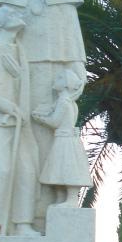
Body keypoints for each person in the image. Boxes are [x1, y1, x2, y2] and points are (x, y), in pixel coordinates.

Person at [0, 0, 87, 228]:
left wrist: (75, 75)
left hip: (54, 79)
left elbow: (73, 45)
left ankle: (44, 213)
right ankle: (20, 218)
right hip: (22, 78)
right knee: (24, 144)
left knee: (49, 146)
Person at [0, 7, 40, 236]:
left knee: (27, 170)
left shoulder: (19, 50)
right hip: (0, 120)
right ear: (3, 23)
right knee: (1, 170)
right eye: (14, 15)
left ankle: (23, 224)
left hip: (20, 121)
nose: (20, 17)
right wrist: (11, 108)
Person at [34, 70, 92, 206]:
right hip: (63, 138)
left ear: (66, 85)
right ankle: (61, 198)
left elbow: (55, 122)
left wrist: (40, 119)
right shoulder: (67, 101)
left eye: (59, 78)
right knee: (58, 170)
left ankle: (71, 199)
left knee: (67, 170)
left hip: (65, 140)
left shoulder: (64, 102)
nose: (55, 81)